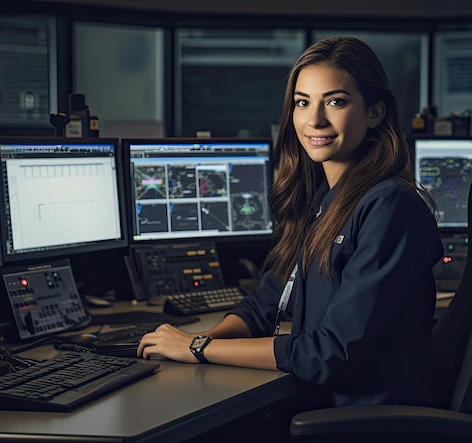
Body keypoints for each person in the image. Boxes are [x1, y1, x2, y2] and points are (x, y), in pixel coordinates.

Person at [137, 36, 443, 439]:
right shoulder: (324, 198)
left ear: (375, 113)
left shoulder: (391, 206)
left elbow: (330, 353)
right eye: (302, 102)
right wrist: (198, 339)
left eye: (335, 101)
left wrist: (197, 349)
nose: (314, 120)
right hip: (314, 402)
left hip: (359, 421)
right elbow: (266, 303)